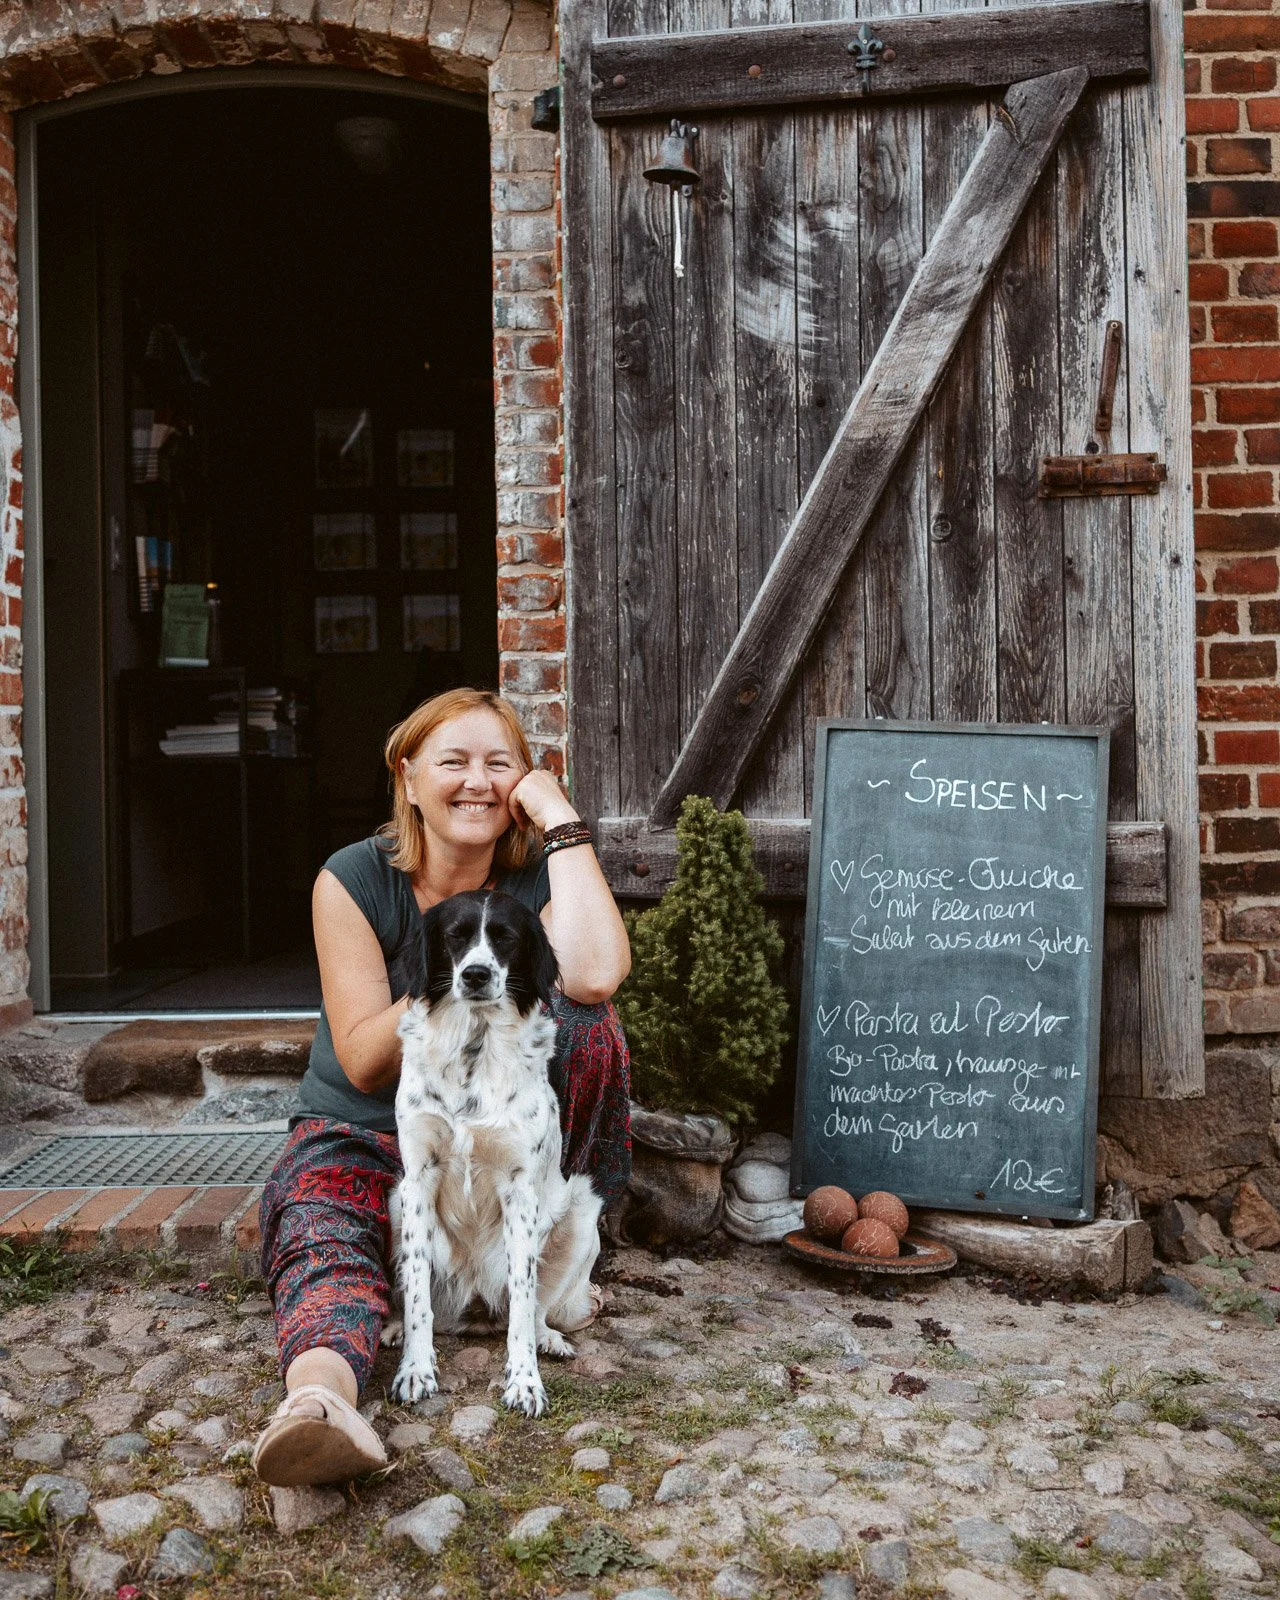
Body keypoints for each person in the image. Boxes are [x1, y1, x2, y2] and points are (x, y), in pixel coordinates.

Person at [251, 688, 632, 1486]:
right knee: (328, 1233)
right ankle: (318, 1408)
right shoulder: (354, 877)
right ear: (408, 773)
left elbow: (596, 973)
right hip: (364, 1128)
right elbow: (364, 1058)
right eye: (453, 761)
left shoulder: (532, 880)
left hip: (501, 1141)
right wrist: (455, 972)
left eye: (500, 765)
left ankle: (555, 1266)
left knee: (587, 1021)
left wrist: (557, 814)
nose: (477, 782)